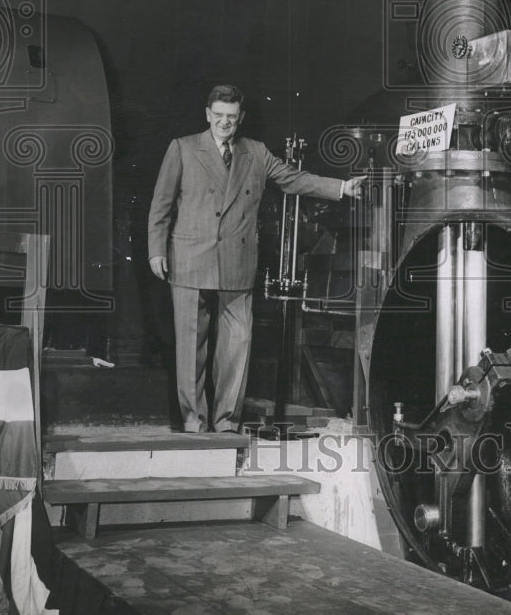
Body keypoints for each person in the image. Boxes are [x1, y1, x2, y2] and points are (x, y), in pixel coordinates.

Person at [148, 85, 365, 433]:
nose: (224, 123)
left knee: (237, 347)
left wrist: (340, 188)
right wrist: (156, 250)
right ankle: (193, 424)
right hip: (190, 259)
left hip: (237, 262)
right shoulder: (183, 148)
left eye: (231, 118)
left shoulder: (256, 153)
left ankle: (226, 425)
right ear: (208, 114)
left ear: (241, 118)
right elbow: (161, 205)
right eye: (218, 116)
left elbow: (292, 179)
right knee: (191, 350)